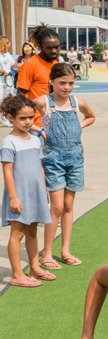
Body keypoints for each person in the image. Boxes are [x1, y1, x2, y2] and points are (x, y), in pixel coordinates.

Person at [33, 64, 95, 269]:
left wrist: (80, 125)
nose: (67, 87)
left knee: (68, 206)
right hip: (53, 158)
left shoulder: (77, 102)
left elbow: (91, 116)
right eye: (62, 83)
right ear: (51, 81)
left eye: (70, 83)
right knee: (56, 206)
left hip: (76, 157)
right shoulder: (44, 102)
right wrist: (37, 129)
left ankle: (65, 250)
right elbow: (20, 114)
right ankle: (46, 254)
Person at [0, 94, 54, 287]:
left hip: (35, 193)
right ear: (10, 117)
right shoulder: (9, 142)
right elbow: (7, 172)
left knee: (32, 232)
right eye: (22, 118)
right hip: (19, 194)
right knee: (18, 233)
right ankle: (16, 275)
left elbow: (39, 166)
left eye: (31, 117)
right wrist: (13, 197)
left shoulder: (34, 139)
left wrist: (44, 191)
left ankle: (34, 268)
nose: (28, 121)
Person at [16, 24, 59, 130]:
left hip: (55, 120)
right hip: (37, 124)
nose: (54, 51)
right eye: (49, 48)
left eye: (56, 47)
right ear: (40, 46)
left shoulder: (56, 64)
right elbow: (21, 95)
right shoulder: (30, 64)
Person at [0, 36, 15, 127]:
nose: (10, 44)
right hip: (1, 79)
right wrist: (2, 72)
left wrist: (21, 66)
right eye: (8, 42)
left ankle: (5, 119)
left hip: (9, 79)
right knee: (0, 99)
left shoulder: (7, 54)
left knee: (7, 99)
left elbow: (13, 64)